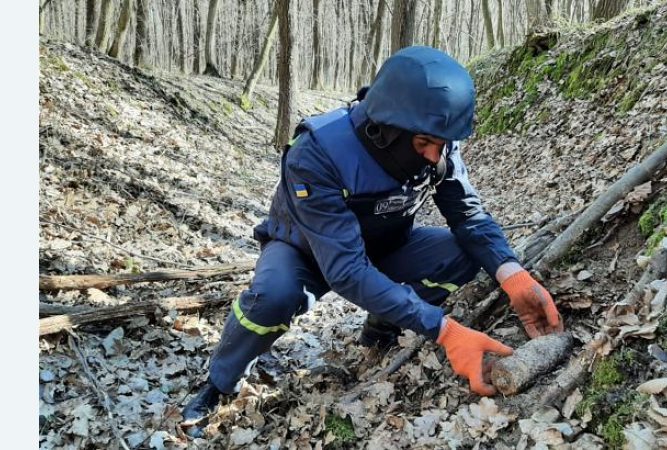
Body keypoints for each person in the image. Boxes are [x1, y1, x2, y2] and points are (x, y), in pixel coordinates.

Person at [182, 46, 563, 426]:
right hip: (305, 253)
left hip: (388, 244)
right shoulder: (317, 153)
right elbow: (345, 270)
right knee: (272, 299)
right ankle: (221, 382)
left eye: (443, 144)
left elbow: (469, 215)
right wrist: (444, 330)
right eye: (423, 145)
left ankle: (384, 323)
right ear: (385, 128)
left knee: (464, 254)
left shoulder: (435, 134)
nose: (435, 156)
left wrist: (512, 274)